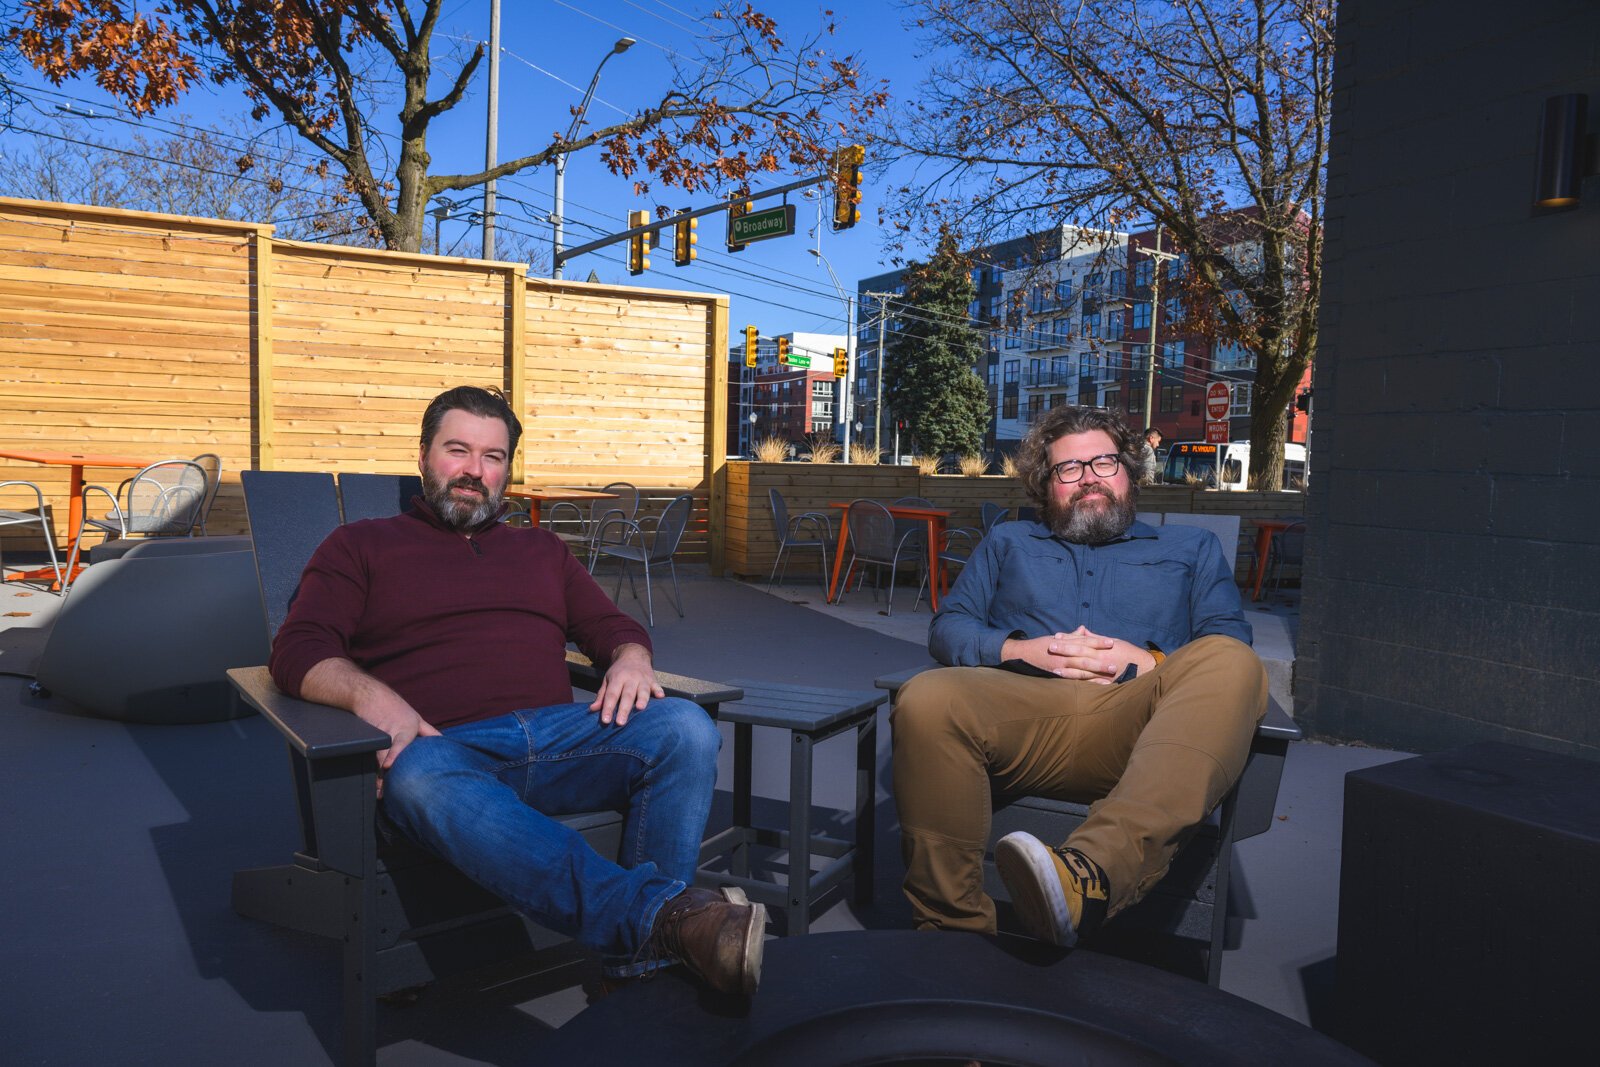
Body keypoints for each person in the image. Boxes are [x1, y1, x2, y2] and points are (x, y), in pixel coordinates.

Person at [269, 385, 764, 996]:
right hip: (444, 752)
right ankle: (666, 924)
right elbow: (297, 650)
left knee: (685, 726)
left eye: (493, 457)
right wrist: (372, 699)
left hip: (562, 745)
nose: (475, 472)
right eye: (458, 451)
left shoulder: (542, 549)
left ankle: (647, 943)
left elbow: (611, 626)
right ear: (423, 456)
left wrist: (632, 658)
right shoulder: (360, 546)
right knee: (417, 773)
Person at [890, 405, 1266, 946]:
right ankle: (951, 933)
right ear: (1046, 486)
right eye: (1069, 469)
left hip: (1136, 722)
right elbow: (948, 628)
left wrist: (1146, 662)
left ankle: (1085, 879)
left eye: (1104, 463)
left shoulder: (1190, 548)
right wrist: (1024, 650)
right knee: (926, 695)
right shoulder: (1008, 542)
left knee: (1232, 661)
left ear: (1131, 473)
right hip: (1021, 716)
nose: (1089, 477)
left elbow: (1230, 637)